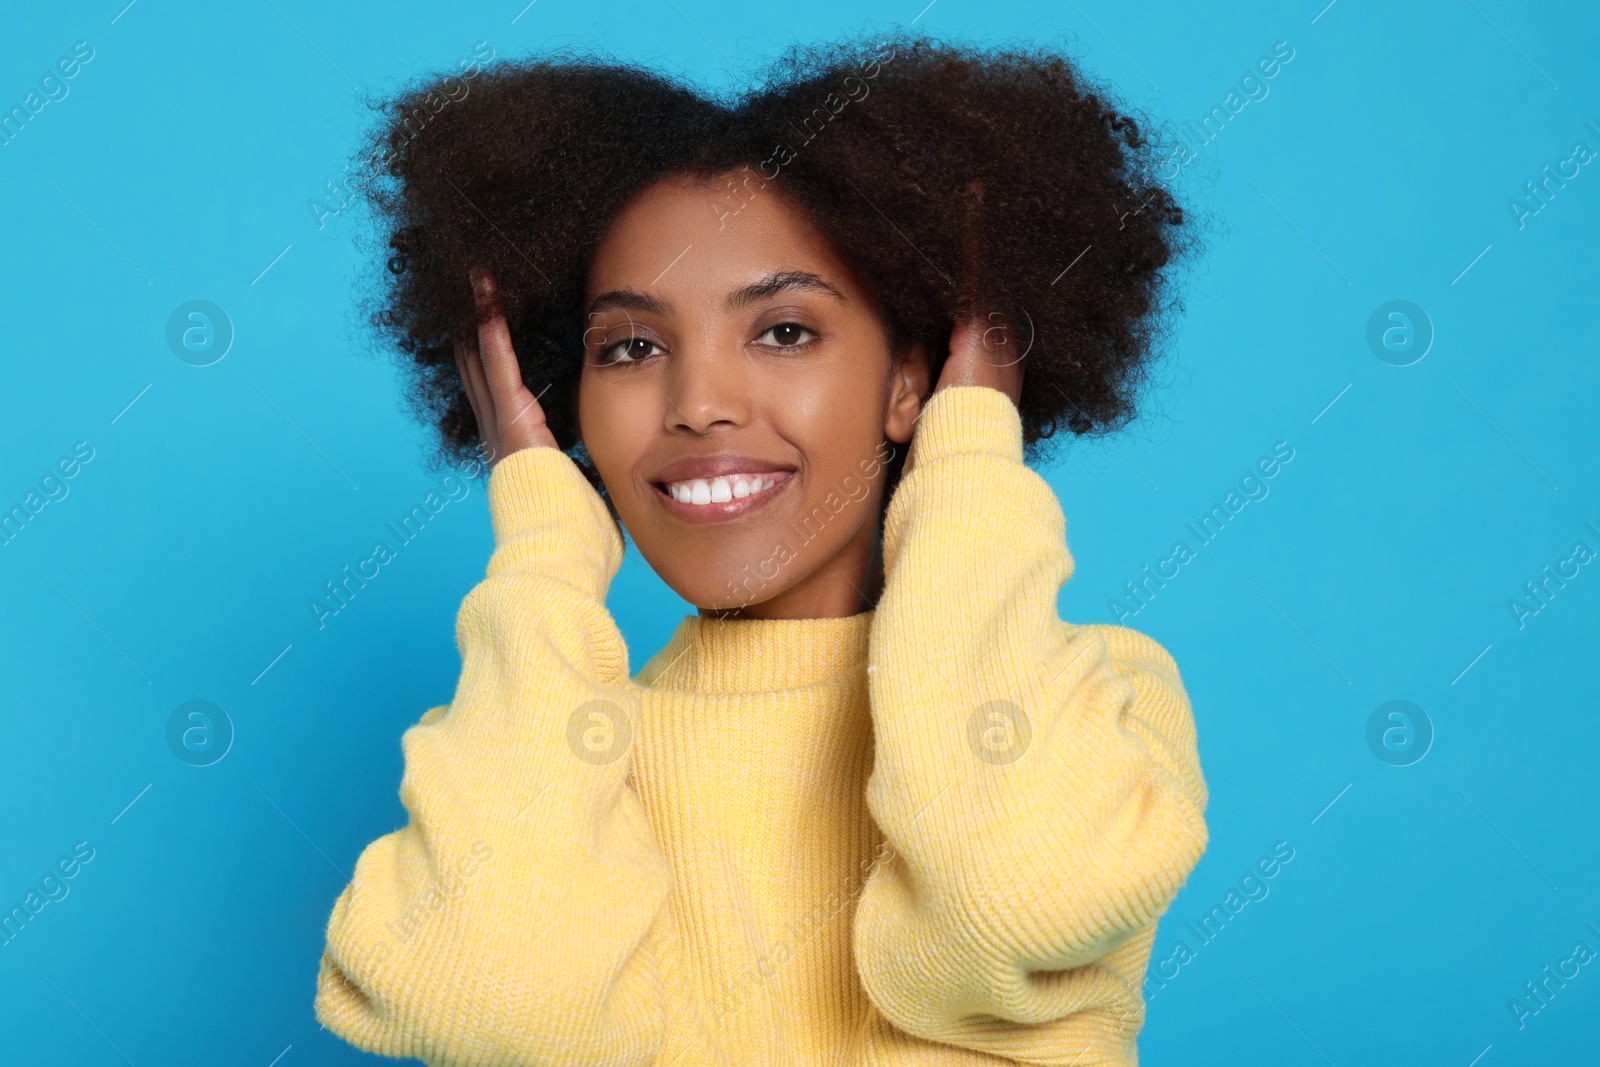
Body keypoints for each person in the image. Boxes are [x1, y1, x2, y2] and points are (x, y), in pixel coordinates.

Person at [315, 32, 1208, 1065]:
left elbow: (1005, 902)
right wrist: (542, 533)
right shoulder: (551, 742)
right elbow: (490, 1009)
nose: (696, 404)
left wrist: (968, 456)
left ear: (912, 380)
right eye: (631, 347)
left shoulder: (1096, 699)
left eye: (783, 330)